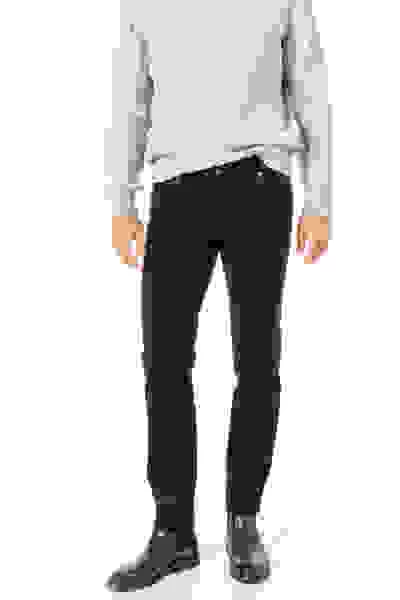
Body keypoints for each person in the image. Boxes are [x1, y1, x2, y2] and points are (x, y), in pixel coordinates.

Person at [105, 0, 331, 591]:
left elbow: (310, 87)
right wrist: (121, 202)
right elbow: (130, 97)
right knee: (163, 362)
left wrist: (320, 200)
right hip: (176, 188)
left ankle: (243, 521)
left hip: (260, 181)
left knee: (257, 361)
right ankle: (173, 530)